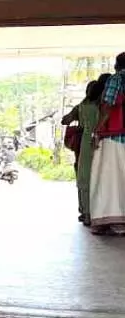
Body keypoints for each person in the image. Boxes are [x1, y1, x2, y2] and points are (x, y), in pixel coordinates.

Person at [92, 54, 125, 235]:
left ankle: (115, 221)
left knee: (112, 179)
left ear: (116, 65)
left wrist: (98, 129)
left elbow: (108, 104)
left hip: (116, 136)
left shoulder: (116, 79)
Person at [77, 77, 109, 226]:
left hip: (85, 142)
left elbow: (80, 124)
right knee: (98, 177)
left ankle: (86, 213)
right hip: (100, 141)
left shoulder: (82, 106)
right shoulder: (101, 108)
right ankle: (99, 214)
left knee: (84, 176)